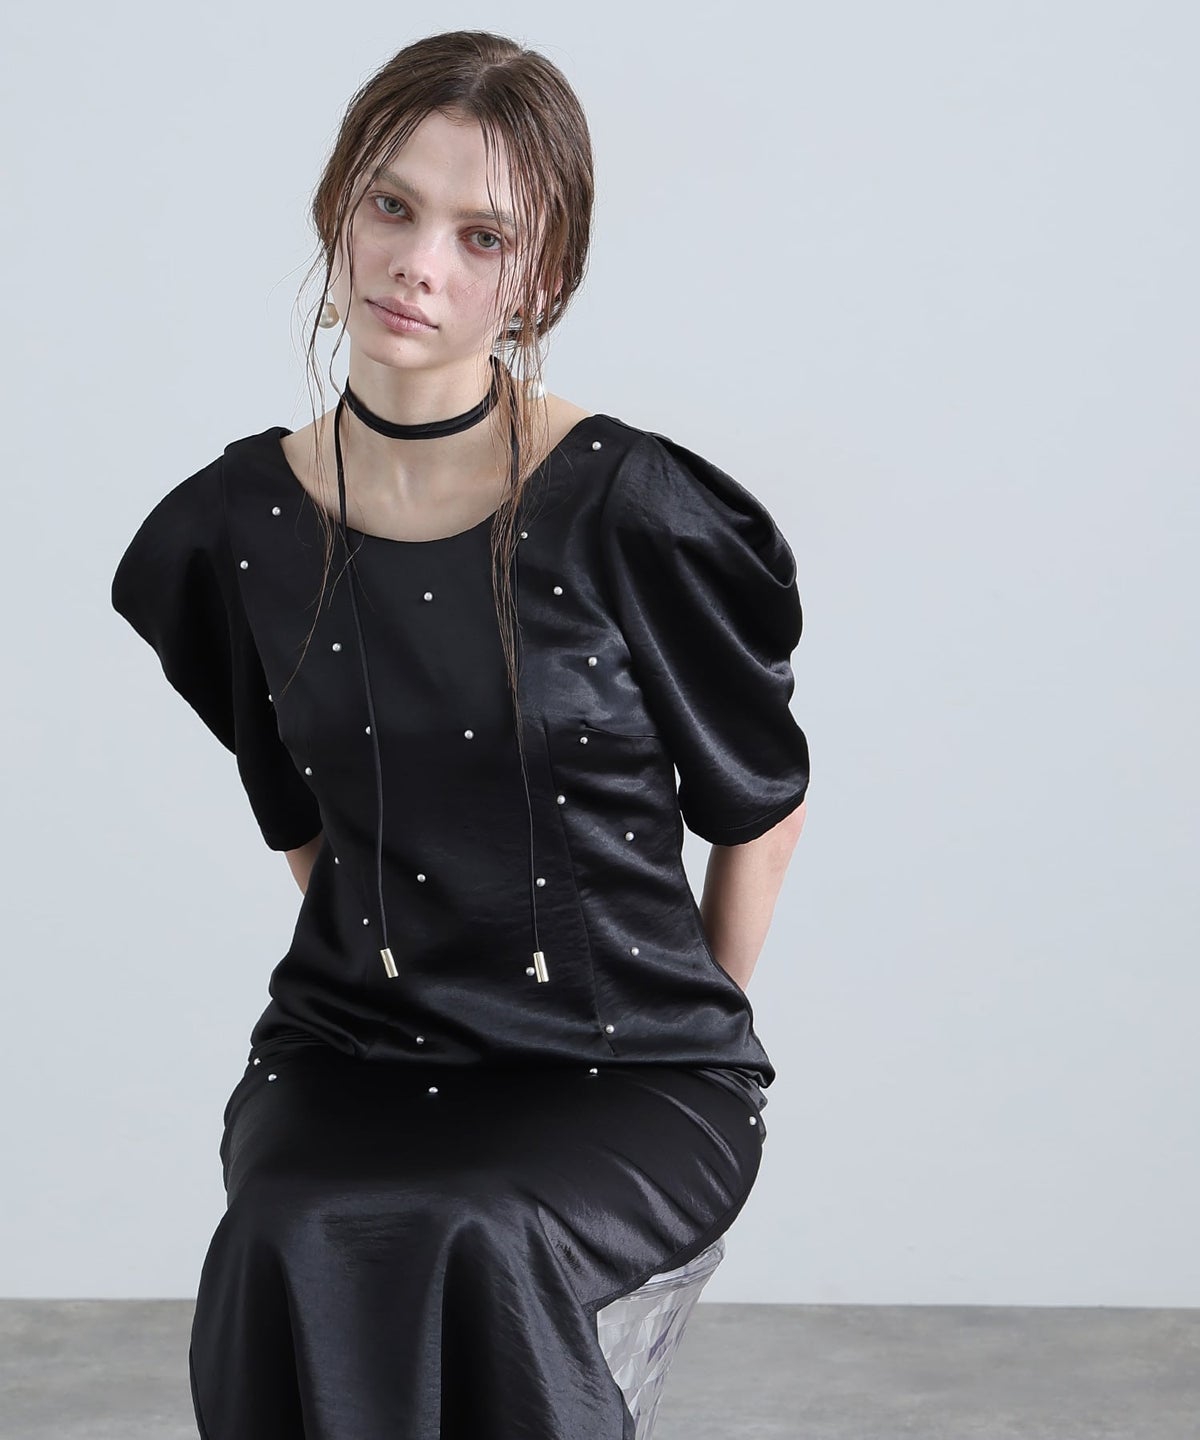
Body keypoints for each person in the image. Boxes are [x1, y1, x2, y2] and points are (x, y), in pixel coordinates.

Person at [110, 28, 810, 1440]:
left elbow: (760, 808)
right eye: (392, 206)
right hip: (354, 1045)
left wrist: (686, 1029)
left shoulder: (631, 507)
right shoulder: (231, 531)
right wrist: (409, 969)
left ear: (540, 278)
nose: (419, 264)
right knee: (281, 1233)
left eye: (481, 235)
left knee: (484, 1230)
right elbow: (302, 821)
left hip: (632, 1063)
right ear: (338, 208)